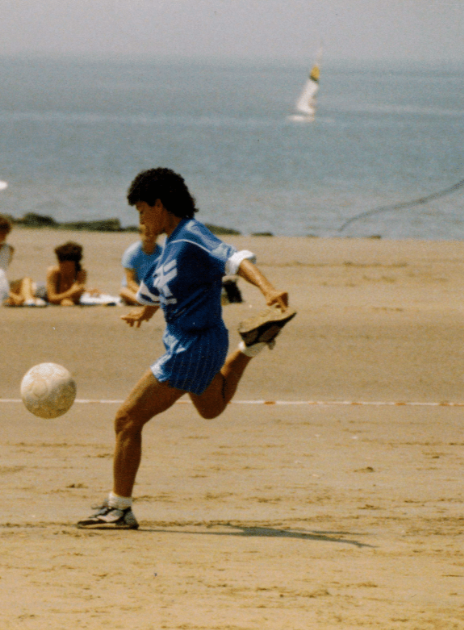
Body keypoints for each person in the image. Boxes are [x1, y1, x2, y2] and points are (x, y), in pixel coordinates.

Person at [77, 168, 296, 530]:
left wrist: (268, 290)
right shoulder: (167, 250)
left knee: (127, 418)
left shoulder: (192, 235)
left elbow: (236, 259)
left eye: (142, 210)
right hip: (200, 344)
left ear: (160, 204)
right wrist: (144, 313)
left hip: (193, 345)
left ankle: (119, 508)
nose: (141, 219)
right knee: (212, 408)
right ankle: (249, 348)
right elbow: (154, 291)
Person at [119, 224, 162, 306]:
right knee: (123, 291)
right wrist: (144, 293)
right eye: (147, 234)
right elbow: (130, 281)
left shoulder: (162, 253)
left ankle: (149, 303)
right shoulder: (131, 253)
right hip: (136, 288)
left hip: (154, 288)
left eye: (154, 234)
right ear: (140, 234)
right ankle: (149, 303)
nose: (150, 237)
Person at [45, 241, 94, 306]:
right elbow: (51, 298)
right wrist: (71, 292)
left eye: (69, 267)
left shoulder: (80, 273)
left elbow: (77, 298)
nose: (65, 269)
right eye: (62, 266)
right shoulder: (53, 271)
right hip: (44, 291)